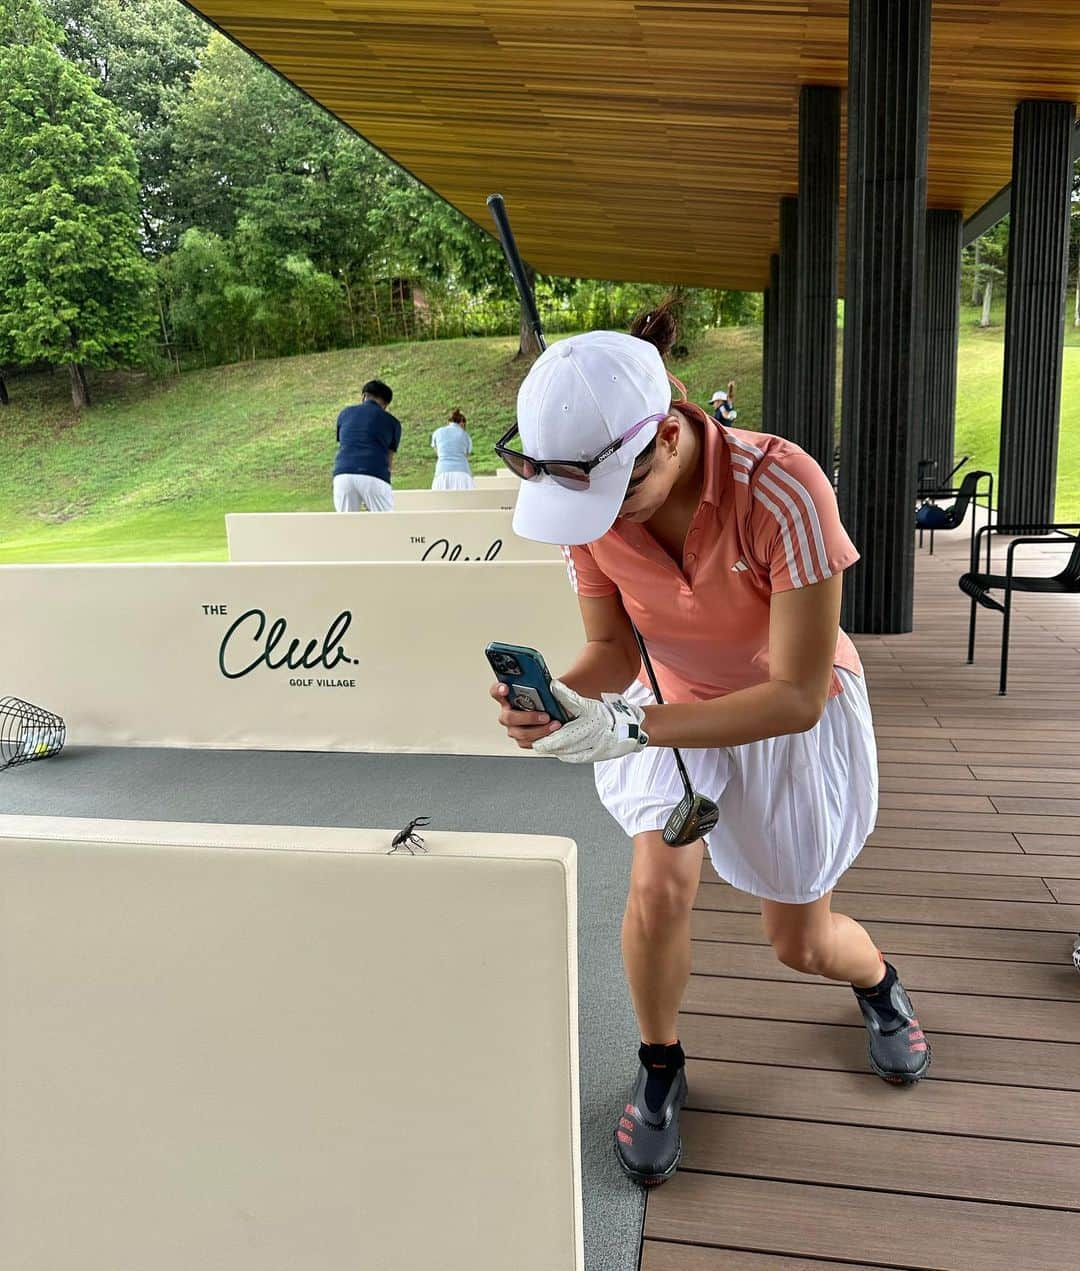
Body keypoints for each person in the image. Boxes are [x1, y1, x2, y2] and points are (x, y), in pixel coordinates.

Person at [489, 303, 929, 1189]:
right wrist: (567, 700)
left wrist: (627, 725)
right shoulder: (592, 511)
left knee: (799, 943)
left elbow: (797, 695)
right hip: (670, 702)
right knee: (656, 885)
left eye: (618, 494)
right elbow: (615, 653)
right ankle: (660, 1067)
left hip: (785, 721)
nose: (600, 520)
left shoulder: (784, 488)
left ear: (670, 436)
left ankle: (877, 982)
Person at [332, 379, 401, 512]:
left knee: (347, 527)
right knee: (387, 526)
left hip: (343, 475)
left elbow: (345, 445)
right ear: (385, 404)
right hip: (374, 475)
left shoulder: (345, 413)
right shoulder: (393, 423)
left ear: (364, 396)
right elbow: (389, 461)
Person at [430, 408, 475, 490]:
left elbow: (437, 452)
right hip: (463, 473)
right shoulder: (465, 435)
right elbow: (466, 454)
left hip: (442, 473)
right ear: (462, 423)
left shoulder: (437, 432)